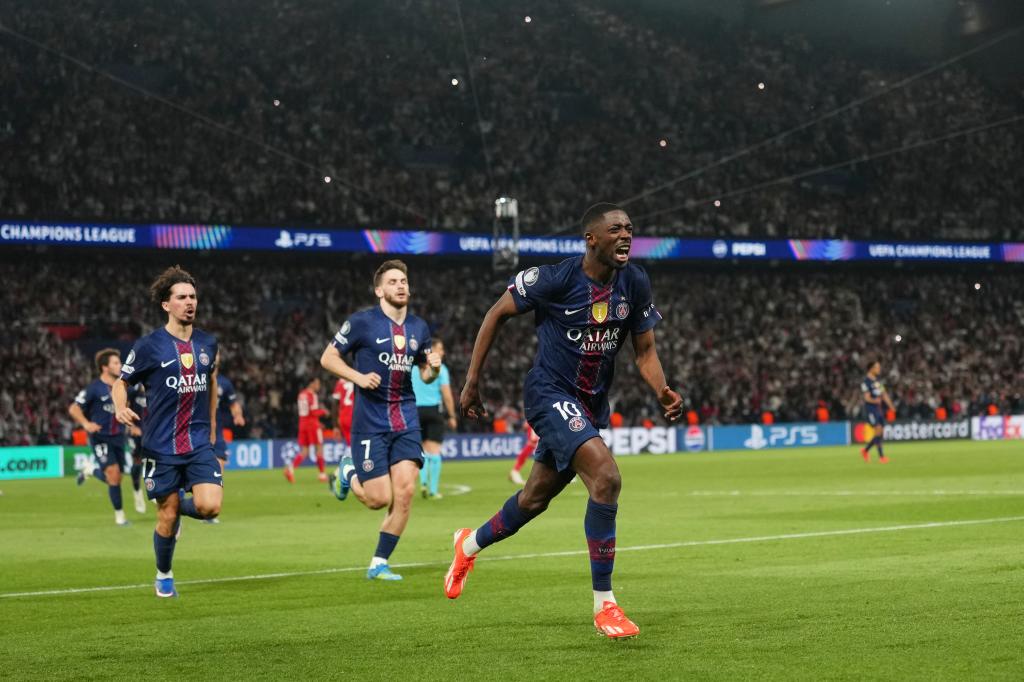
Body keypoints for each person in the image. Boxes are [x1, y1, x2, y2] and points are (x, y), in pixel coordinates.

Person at [445, 203, 683, 639]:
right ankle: (605, 605)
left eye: (630, 227)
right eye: (615, 229)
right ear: (592, 238)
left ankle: (468, 544)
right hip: (549, 394)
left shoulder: (636, 281)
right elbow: (495, 313)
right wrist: (472, 382)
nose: (626, 235)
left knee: (534, 500)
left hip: (589, 406)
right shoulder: (554, 278)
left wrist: (661, 389)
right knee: (606, 478)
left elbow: (644, 351)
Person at [321, 259, 441, 581]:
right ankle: (348, 471)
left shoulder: (419, 328)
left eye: (403, 281)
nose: (401, 285)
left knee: (405, 493)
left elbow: (427, 377)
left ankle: (378, 562)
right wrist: (358, 377)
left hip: (406, 420)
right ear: (379, 290)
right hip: (370, 422)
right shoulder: (362, 323)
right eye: (393, 282)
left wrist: (435, 368)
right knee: (378, 499)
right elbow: (328, 357)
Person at [112, 265, 222, 598]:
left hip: (199, 441)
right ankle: (164, 574)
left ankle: (178, 508)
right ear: (166, 305)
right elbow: (122, 383)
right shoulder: (149, 346)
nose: (190, 303)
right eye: (181, 297)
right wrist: (120, 406)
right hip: (161, 445)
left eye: (192, 296)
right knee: (168, 515)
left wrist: (213, 428)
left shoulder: (208, 343)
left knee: (210, 507)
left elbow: (212, 383)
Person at [70, 348, 132, 526]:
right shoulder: (94, 388)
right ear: (105, 367)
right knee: (113, 475)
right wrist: (86, 424)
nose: (119, 365)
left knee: (118, 477)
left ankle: (91, 470)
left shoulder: (123, 386)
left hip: (119, 437)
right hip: (100, 437)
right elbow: (74, 408)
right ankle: (120, 516)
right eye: (115, 363)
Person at [412, 337, 456, 499]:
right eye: (441, 348)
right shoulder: (441, 369)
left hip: (415, 411)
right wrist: (451, 415)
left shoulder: (414, 368)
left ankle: (423, 482)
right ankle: (433, 490)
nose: (443, 352)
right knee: (435, 451)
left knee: (422, 450)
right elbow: (447, 394)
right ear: (433, 350)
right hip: (433, 410)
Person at [288, 377, 327, 483]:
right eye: (317, 383)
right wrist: (324, 412)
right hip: (312, 425)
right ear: (312, 384)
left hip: (302, 424)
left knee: (305, 451)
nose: (318, 386)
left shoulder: (301, 394)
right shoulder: (312, 395)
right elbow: (313, 412)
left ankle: (290, 470)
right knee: (319, 448)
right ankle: (322, 474)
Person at [860, 360, 895, 463]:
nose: (879, 369)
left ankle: (865, 450)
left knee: (880, 433)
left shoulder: (878, 381)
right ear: (871, 368)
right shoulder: (865, 382)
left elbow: (884, 394)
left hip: (878, 410)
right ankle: (881, 457)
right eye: (877, 367)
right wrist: (875, 400)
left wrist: (891, 406)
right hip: (871, 410)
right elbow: (866, 398)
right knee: (878, 430)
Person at [213, 372, 245, 472]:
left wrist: (238, 415)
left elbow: (233, 404)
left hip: (216, 432)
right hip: (196, 430)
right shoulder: (194, 378)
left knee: (219, 467)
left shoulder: (224, 383)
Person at [126, 384, 148, 514]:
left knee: (159, 459)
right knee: (137, 461)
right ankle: (137, 491)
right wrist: (131, 426)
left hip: (153, 431)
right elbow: (125, 406)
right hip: (136, 432)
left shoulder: (160, 383)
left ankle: (157, 491)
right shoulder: (134, 389)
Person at [508, 421, 540, 486]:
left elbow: (533, 437)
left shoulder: (534, 421)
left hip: (534, 443)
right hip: (533, 443)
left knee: (524, 457)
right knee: (523, 456)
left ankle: (515, 472)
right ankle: (514, 472)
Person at [331, 377, 355, 453]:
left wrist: (335, 425)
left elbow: (334, 404)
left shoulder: (340, 382)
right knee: (357, 443)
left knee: (350, 443)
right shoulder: (358, 377)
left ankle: (347, 462)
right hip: (355, 414)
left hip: (343, 416)